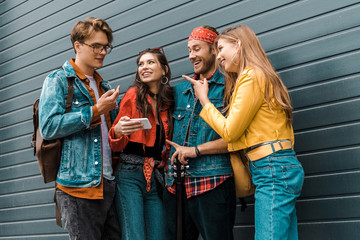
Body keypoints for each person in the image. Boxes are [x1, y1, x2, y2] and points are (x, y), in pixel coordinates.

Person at [186, 25, 305, 240]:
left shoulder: (250, 76)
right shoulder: (259, 75)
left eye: (221, 48)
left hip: (272, 169)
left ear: (238, 45)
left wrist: (204, 99)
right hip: (276, 166)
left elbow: (230, 132)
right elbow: (242, 137)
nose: (219, 55)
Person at [38, 17, 121, 240]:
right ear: (78, 46)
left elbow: (109, 136)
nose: (102, 51)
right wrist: (94, 111)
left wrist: (120, 127)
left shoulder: (105, 86)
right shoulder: (58, 80)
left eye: (105, 47)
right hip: (78, 187)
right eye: (96, 46)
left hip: (108, 183)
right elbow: (48, 127)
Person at [164, 26, 236, 240]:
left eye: (197, 48)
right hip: (176, 186)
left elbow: (235, 138)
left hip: (213, 182)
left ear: (214, 49)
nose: (191, 55)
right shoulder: (179, 91)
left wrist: (194, 150)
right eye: (189, 50)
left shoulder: (230, 88)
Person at [108, 48, 174, 240]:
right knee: (134, 235)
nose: (144, 67)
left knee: (159, 235)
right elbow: (115, 141)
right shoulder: (132, 95)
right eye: (140, 64)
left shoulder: (168, 101)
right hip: (129, 175)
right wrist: (118, 131)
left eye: (150, 62)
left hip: (155, 176)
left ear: (164, 70)